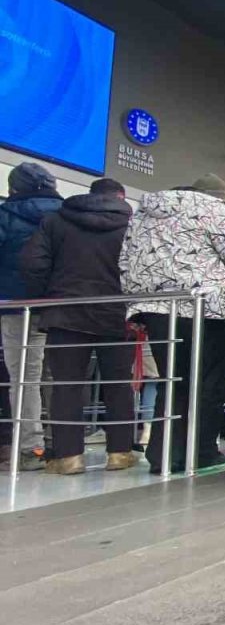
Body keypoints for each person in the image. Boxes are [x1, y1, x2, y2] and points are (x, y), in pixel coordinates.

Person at [120, 175, 225, 474]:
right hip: (207, 309)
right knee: (208, 382)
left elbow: (127, 262)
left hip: (157, 310)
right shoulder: (213, 209)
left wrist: (136, 306)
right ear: (221, 198)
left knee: (172, 381)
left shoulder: (144, 214)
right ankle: (200, 450)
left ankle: (163, 453)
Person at [21, 178, 134, 474]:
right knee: (118, 385)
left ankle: (69, 457)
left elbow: (33, 263)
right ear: (119, 196)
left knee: (66, 386)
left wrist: (51, 295)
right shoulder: (131, 225)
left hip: (65, 313)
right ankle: (120, 453)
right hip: (115, 314)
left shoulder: (56, 221)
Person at [0, 163, 63, 470]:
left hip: (16, 308)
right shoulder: (65, 215)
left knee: (24, 378)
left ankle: (30, 448)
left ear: (14, 188)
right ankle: (59, 444)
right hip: (60, 308)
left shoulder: (5, 215)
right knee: (56, 376)